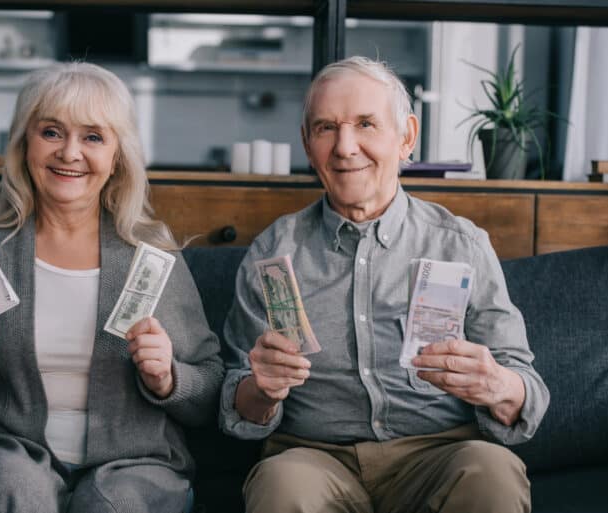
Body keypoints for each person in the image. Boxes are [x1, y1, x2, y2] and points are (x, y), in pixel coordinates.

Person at [219, 55, 550, 513]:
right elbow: (235, 397)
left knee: (492, 472)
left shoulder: (460, 244)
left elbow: (527, 387)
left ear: (406, 136)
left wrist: (498, 385)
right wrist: (261, 390)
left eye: (366, 124)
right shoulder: (273, 252)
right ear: (307, 143)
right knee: (281, 486)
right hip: (315, 459)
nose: (345, 146)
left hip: (439, 455)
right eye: (325, 128)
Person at [0, 62, 223, 513]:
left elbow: (211, 395)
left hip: (134, 465)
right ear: (24, 145)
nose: (70, 153)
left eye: (93, 137)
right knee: (13, 487)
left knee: (117, 505)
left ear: (117, 157)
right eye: (51, 132)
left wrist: (170, 378)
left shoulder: (153, 258)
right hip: (3, 457)